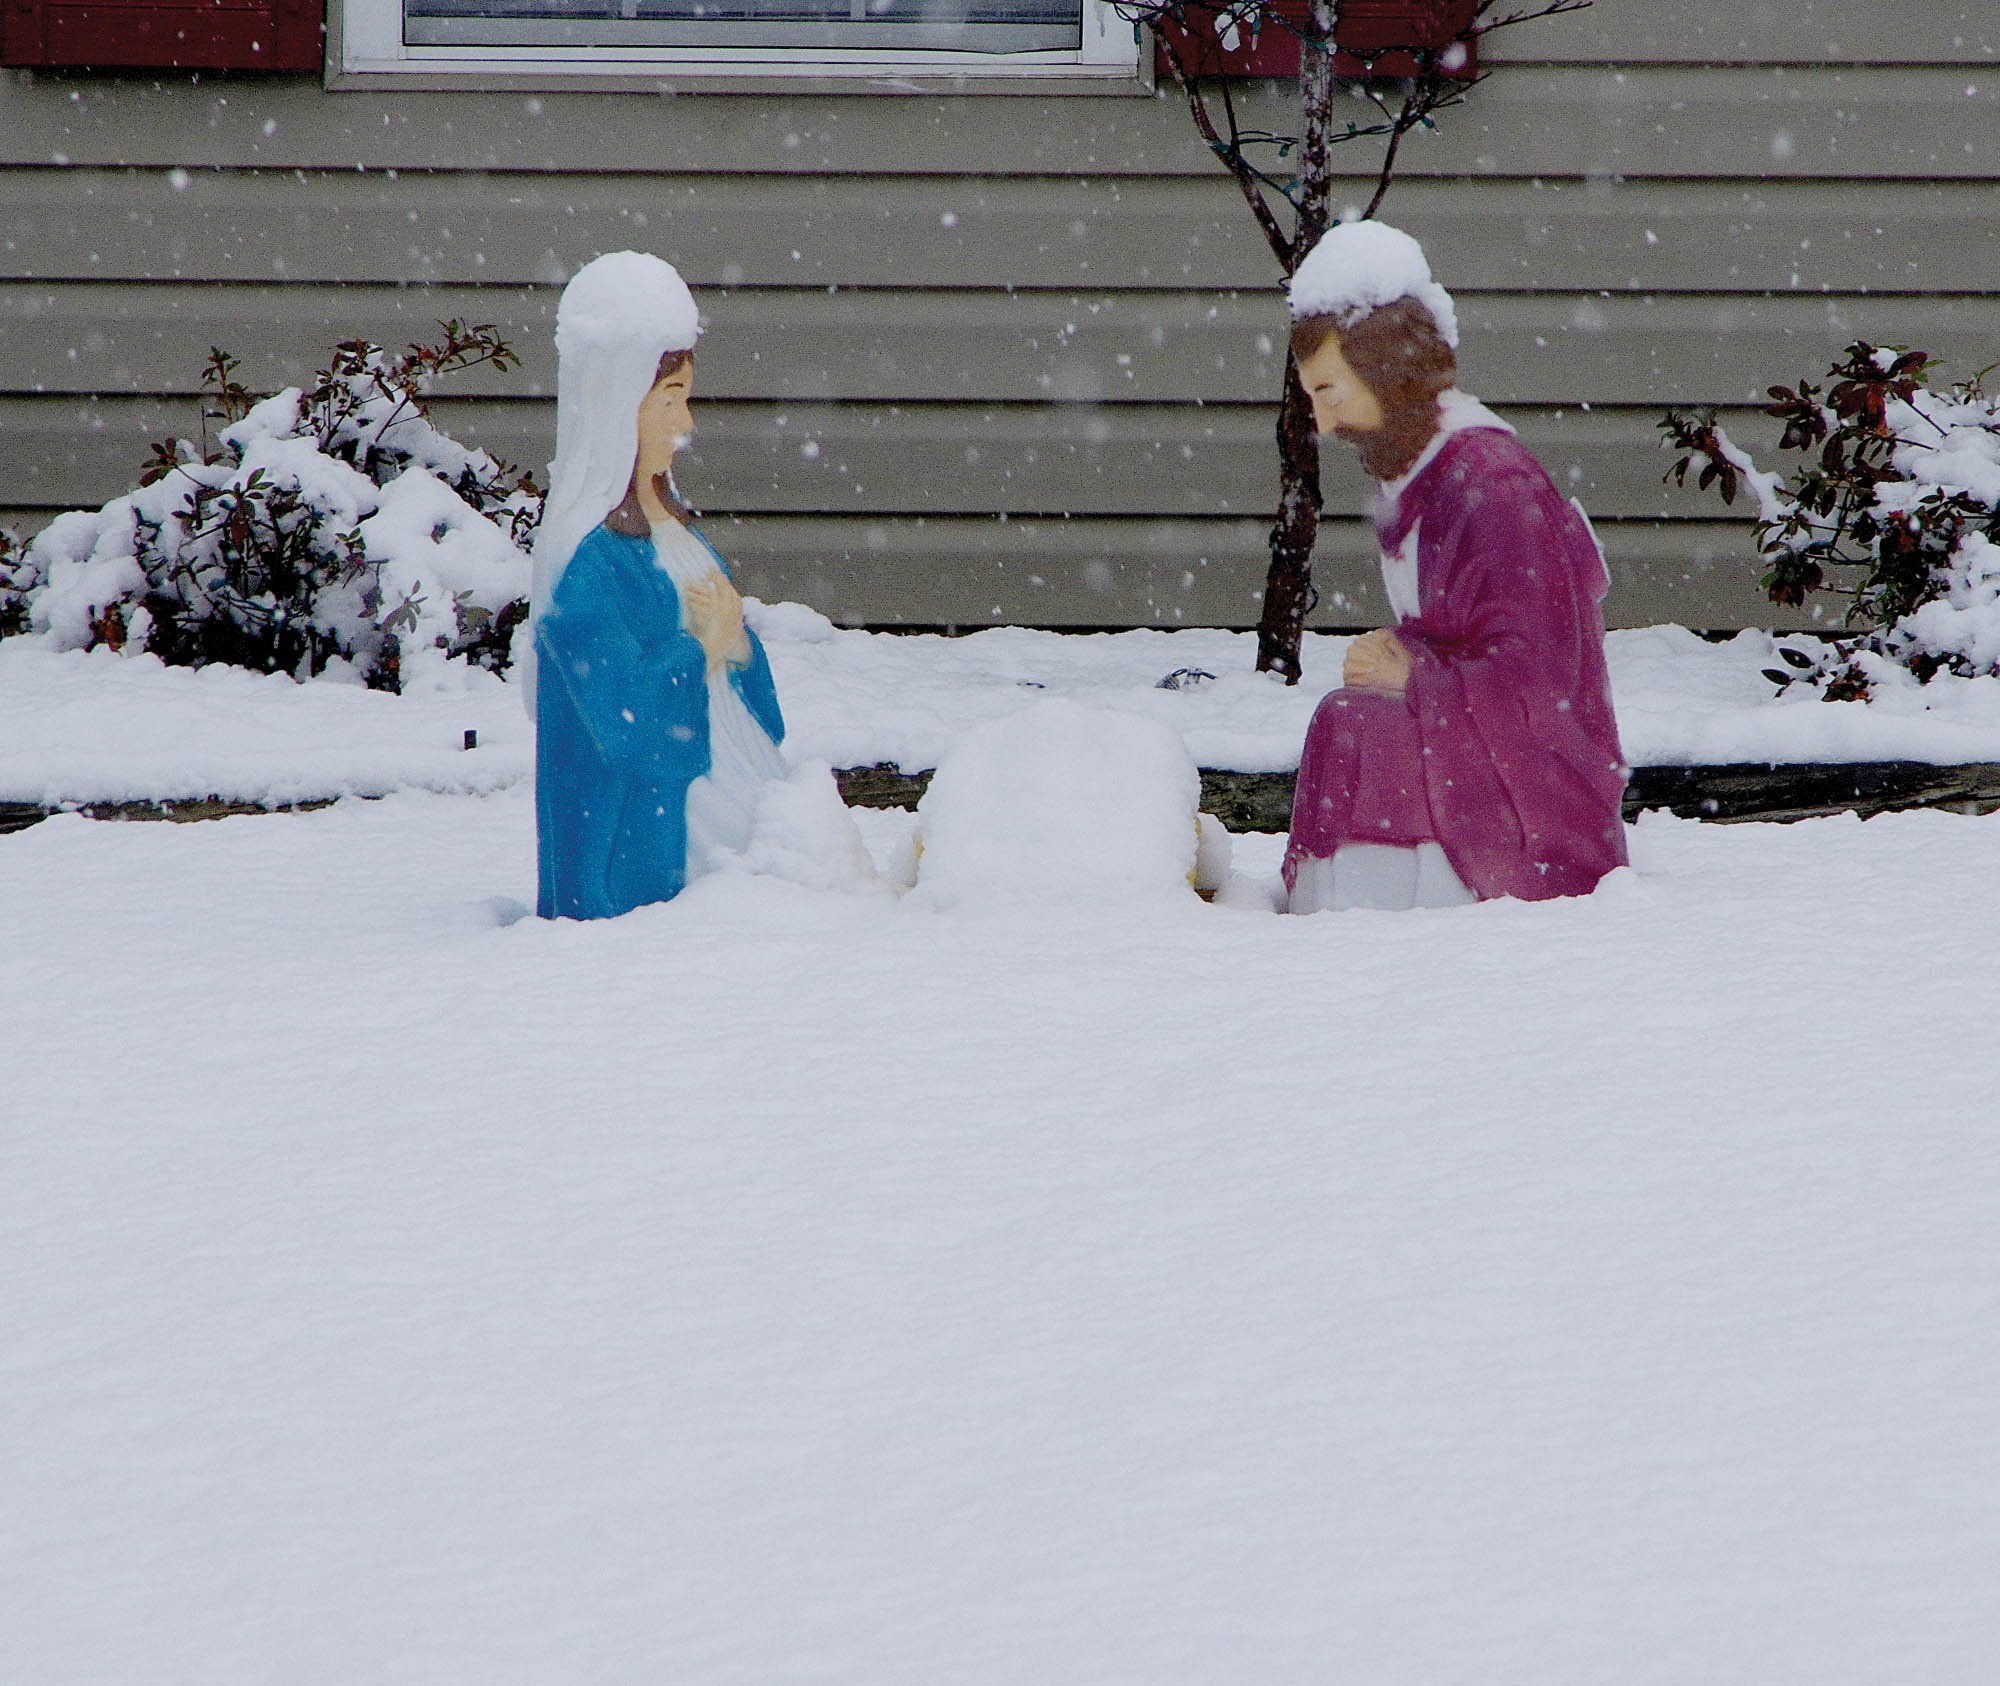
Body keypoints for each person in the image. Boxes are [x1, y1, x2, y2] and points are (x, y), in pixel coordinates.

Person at [1281, 222, 1629, 913]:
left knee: (1357, 728)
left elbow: (1537, 676)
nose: (1323, 424)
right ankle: (1344, 904)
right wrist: (1402, 653)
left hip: (1539, 782)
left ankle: (1396, 904)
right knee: (1347, 719)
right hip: (1478, 735)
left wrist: (1416, 676)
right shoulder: (1425, 476)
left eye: (1331, 392)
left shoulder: (1493, 487)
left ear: (1386, 372)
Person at [530, 251, 786, 920]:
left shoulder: (678, 535)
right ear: (618, 407)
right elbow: (621, 721)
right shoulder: (588, 565)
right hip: (656, 841)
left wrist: (736, 646)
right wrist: (700, 649)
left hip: (742, 794)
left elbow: (745, 683)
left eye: (686, 400)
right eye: (669, 401)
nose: (685, 423)